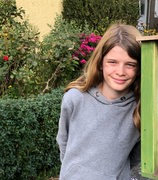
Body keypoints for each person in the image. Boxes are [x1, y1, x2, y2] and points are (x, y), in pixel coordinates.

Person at [56, 23, 141, 180]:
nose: (120, 72)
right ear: (101, 62)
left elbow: (137, 159)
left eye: (130, 65)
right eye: (112, 62)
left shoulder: (139, 109)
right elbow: (63, 141)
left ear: (139, 69)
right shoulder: (74, 98)